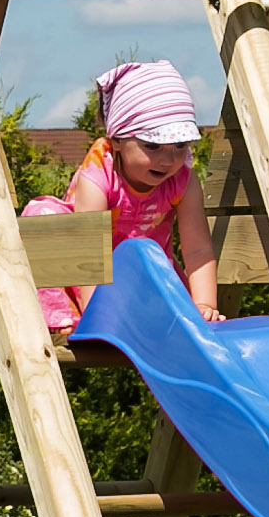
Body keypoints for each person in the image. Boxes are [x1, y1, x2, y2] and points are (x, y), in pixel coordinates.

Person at [30, 59, 224, 335]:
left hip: (139, 276)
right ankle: (64, 316)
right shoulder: (99, 173)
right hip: (80, 276)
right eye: (153, 146)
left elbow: (198, 250)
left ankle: (160, 315)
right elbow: (89, 252)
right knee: (42, 216)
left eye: (180, 145)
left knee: (165, 281)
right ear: (118, 140)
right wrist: (97, 316)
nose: (168, 159)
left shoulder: (183, 178)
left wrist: (204, 305)